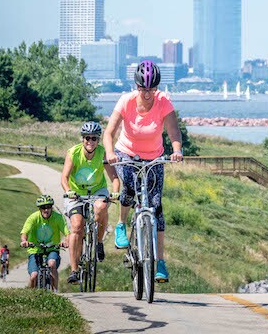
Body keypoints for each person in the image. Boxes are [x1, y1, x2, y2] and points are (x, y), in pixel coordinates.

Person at [104, 60, 183, 283]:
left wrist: (176, 150)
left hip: (154, 156)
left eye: (151, 88)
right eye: (142, 88)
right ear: (136, 86)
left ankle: (160, 263)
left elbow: (174, 132)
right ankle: (121, 225)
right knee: (128, 188)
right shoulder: (126, 101)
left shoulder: (163, 102)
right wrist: (110, 153)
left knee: (156, 207)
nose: (147, 93)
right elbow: (108, 133)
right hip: (126, 153)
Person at [61, 121, 121, 284]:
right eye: (87, 138)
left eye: (94, 138)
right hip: (76, 193)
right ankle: (74, 270)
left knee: (101, 207)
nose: (90, 141)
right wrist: (68, 192)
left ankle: (99, 241)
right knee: (76, 226)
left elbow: (114, 177)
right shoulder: (73, 152)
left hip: (97, 191)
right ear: (83, 139)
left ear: (98, 140)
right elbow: (64, 178)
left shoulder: (102, 153)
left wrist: (115, 192)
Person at [20, 195, 69, 290]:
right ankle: (31, 295)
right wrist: (24, 241)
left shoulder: (58, 218)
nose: (46, 210)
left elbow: (67, 233)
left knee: (52, 264)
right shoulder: (33, 218)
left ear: (52, 207)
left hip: (52, 249)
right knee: (34, 275)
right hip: (35, 250)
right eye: (43, 207)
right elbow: (24, 232)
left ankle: (55, 292)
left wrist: (66, 242)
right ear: (39, 208)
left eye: (48, 207)